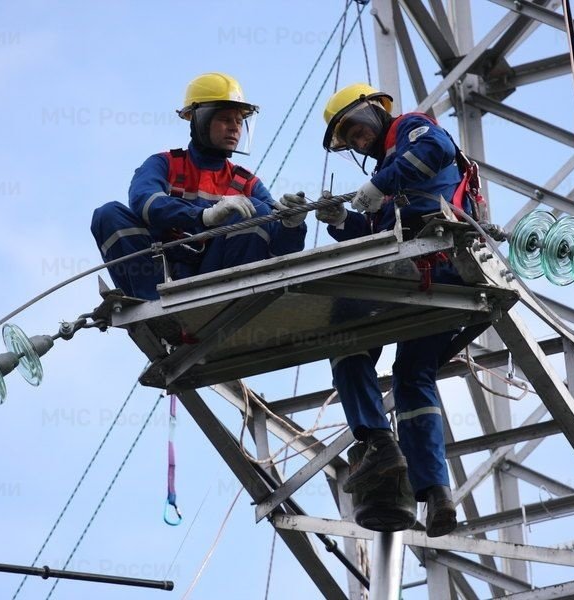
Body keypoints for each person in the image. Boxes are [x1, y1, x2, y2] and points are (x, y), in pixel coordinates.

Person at [317, 83, 487, 537]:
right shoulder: (393, 174)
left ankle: (375, 439)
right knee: (414, 375)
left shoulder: (410, 131)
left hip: (429, 264)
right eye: (349, 139)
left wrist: (379, 183)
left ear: (374, 112)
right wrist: (341, 222)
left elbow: (437, 146)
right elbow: (374, 238)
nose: (358, 141)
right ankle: (436, 494)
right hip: (434, 277)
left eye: (356, 129)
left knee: (344, 335)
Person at [90, 72, 308, 300]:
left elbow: (281, 253)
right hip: (160, 276)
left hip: (215, 283)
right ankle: (153, 309)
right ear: (200, 121)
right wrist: (204, 216)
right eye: (225, 119)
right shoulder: (164, 164)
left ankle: (235, 299)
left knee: (257, 211)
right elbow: (144, 202)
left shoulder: (246, 182)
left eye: (239, 121)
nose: (235, 128)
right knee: (108, 214)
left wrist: (291, 225)